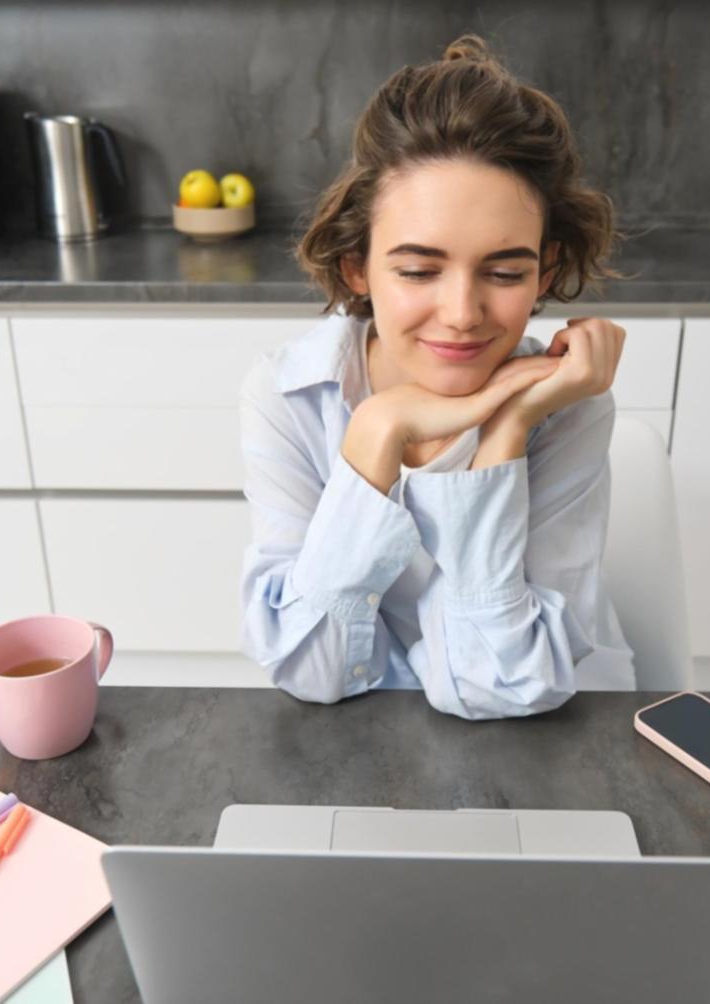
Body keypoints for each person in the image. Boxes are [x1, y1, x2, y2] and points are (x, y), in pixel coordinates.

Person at [239, 34, 633, 721]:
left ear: (544, 270)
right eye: (419, 271)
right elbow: (310, 669)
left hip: (542, 734)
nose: (461, 315)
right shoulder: (288, 397)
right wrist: (375, 431)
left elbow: (503, 686)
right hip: (364, 732)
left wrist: (504, 431)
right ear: (356, 267)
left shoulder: (563, 405)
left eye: (506, 272)